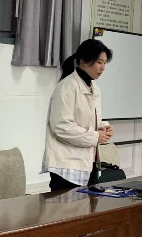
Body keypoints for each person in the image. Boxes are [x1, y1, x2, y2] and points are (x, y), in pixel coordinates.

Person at [42, 39, 114, 191]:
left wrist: (103, 127)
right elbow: (62, 127)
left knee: (90, 205)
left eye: (104, 63)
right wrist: (95, 136)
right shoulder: (67, 87)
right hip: (66, 167)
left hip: (88, 164)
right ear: (84, 61)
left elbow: (85, 119)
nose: (103, 67)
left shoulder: (95, 88)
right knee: (68, 206)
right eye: (99, 62)